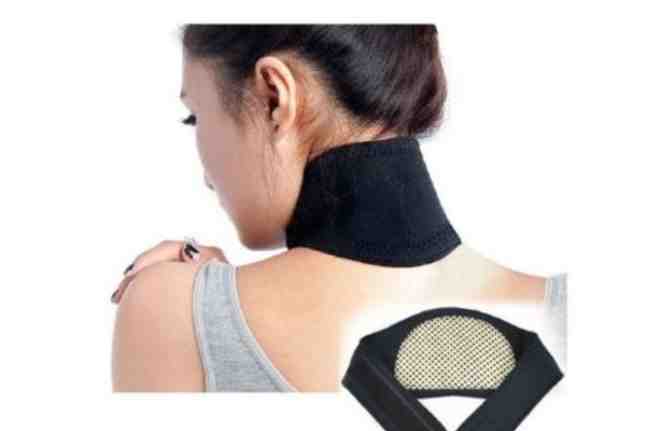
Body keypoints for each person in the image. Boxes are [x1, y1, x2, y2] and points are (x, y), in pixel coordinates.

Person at [110, 25, 563, 392]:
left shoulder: (170, 312)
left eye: (195, 116)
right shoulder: (568, 311)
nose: (207, 177)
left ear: (274, 97)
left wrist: (202, 308)